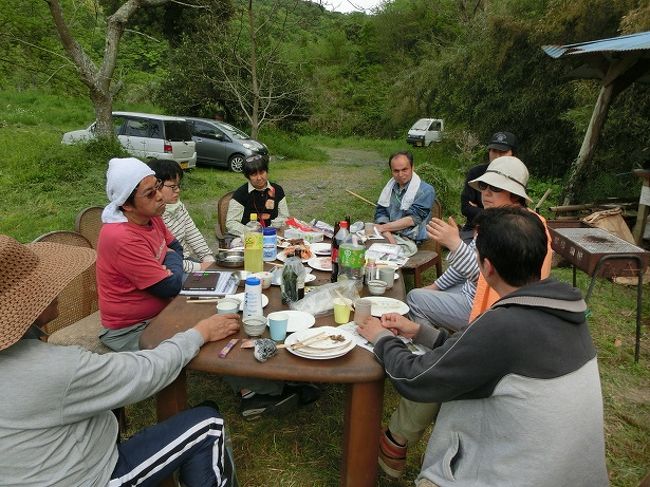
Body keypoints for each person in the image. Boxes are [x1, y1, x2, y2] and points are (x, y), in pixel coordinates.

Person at [358, 207, 608, 487]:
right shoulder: (564, 313)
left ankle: (394, 444)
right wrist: (419, 332)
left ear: (486, 267)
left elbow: (416, 378)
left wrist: (380, 337)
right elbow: (476, 356)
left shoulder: (503, 325)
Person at [0, 234, 241, 486]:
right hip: (90, 477)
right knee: (208, 423)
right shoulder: (56, 368)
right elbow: (145, 372)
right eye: (43, 283)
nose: (57, 287)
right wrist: (200, 333)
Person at [381, 156, 554, 479]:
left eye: (495, 188)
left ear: (515, 195)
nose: (486, 193)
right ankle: (397, 441)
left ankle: (398, 443)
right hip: (488, 322)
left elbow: (498, 281)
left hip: (505, 329)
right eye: (484, 187)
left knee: (445, 370)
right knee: (439, 346)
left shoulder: (528, 230)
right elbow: (472, 275)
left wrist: (454, 245)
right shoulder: (493, 222)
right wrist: (440, 276)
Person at [97, 157, 185, 352]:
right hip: (132, 328)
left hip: (162, 310)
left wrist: (168, 262)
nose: (160, 196)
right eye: (149, 193)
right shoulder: (121, 237)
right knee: (197, 339)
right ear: (126, 205)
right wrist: (168, 263)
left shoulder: (151, 216)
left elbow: (177, 248)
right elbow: (169, 286)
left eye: (158, 186)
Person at [147, 159, 216, 272]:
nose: (178, 190)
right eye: (173, 187)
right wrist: (200, 267)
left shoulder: (178, 206)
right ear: (156, 186)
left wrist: (208, 258)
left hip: (185, 261)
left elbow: (193, 234)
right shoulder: (152, 216)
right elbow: (163, 259)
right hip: (172, 268)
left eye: (179, 186)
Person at [374, 151, 435, 257]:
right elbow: (381, 211)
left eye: (404, 170)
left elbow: (413, 219)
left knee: (379, 255)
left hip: (410, 238)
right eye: (396, 171)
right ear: (391, 171)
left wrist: (384, 229)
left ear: (412, 167)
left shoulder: (426, 190)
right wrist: (387, 233)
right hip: (387, 232)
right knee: (357, 241)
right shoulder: (389, 188)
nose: (400, 175)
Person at [460, 131, 517, 242]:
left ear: (513, 154)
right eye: (494, 151)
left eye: (502, 152)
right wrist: (499, 213)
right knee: (463, 252)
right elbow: (465, 208)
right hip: (474, 228)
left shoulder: (516, 177)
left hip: (507, 229)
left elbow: (517, 210)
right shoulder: (476, 173)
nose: (497, 156)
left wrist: (479, 210)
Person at [226, 154, 289, 238]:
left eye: (262, 172)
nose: (259, 178)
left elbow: (284, 216)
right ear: (248, 176)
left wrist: (272, 227)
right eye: (254, 174)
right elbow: (231, 223)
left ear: (267, 171)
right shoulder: (240, 194)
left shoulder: (277, 190)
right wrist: (253, 232)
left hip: (274, 236)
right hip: (249, 238)